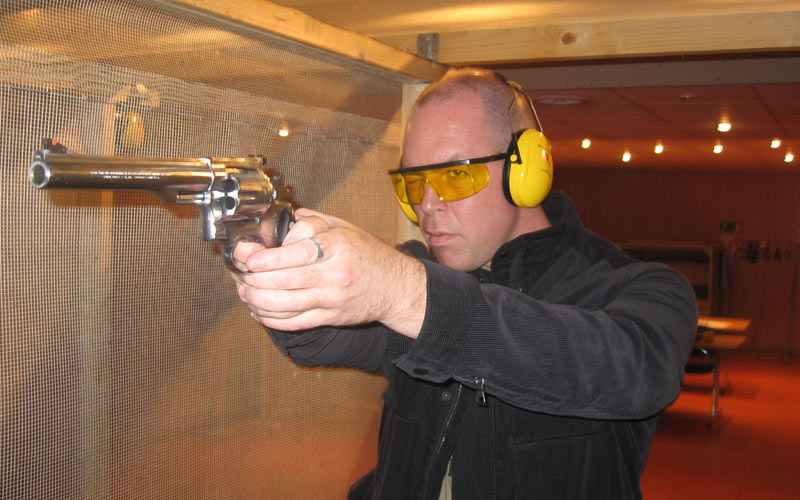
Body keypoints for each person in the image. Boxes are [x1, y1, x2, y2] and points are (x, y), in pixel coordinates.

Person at [231, 68, 697, 499]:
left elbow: (630, 372)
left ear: (526, 169)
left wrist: (403, 290)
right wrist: (279, 268)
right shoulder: (425, 274)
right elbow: (320, 339)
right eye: (413, 181)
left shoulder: (640, 288)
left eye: (455, 174)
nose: (427, 205)